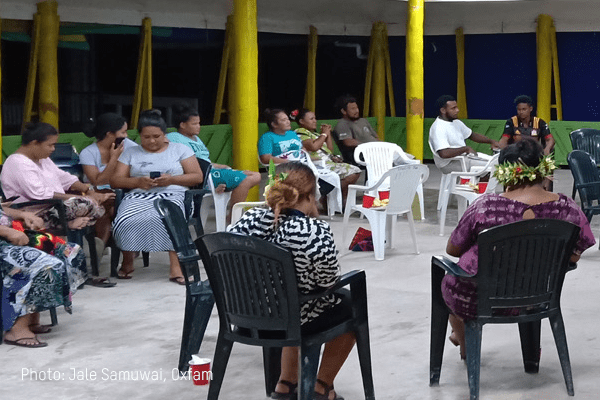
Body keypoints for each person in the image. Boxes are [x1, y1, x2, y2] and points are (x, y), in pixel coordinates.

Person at [441, 138, 595, 360]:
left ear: (506, 173)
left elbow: (453, 250)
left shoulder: (486, 207)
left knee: (449, 279)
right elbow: (574, 255)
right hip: (538, 298)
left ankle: (465, 344)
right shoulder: (567, 208)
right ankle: (527, 358)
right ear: (543, 170)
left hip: (479, 298)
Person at [229, 162, 355, 400]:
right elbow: (328, 280)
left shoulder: (249, 219)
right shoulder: (313, 230)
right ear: (309, 195)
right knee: (351, 303)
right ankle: (322, 387)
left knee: (289, 302)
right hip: (289, 320)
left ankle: (286, 384)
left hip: (246, 317)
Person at [0, 122, 114, 287]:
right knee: (85, 204)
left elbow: (64, 177)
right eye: (50, 144)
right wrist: (79, 198)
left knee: (99, 203)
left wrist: (88, 190)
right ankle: (71, 225)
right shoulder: (17, 162)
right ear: (34, 143)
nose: (53, 149)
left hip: (56, 208)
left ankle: (73, 225)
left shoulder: (42, 159)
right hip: (33, 211)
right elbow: (39, 194)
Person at [110, 110, 203, 284]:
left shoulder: (180, 149)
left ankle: (176, 266)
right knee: (124, 219)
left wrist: (171, 179)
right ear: (139, 136)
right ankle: (128, 261)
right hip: (139, 195)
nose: (152, 141)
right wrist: (138, 182)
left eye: (156, 136)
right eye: (146, 137)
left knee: (169, 219)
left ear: (164, 134)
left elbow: (197, 177)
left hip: (174, 194)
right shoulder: (131, 152)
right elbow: (115, 180)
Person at [1, 205, 86, 348]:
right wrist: (6, 231)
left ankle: (33, 315)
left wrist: (23, 214)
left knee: (70, 252)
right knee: (47, 265)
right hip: (4, 240)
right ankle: (17, 327)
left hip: (10, 235)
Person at [166, 103, 261, 222]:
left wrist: (220, 166)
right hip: (204, 176)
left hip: (212, 171)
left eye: (199, 123)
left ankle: (221, 190)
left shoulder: (196, 139)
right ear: (182, 125)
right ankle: (233, 216)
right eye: (194, 124)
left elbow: (205, 160)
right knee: (248, 179)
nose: (198, 127)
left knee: (254, 175)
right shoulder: (173, 137)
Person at [80, 113, 137, 275]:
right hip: (98, 194)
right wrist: (114, 159)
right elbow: (97, 181)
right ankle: (125, 258)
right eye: (123, 132)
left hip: (121, 192)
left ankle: (100, 245)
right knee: (109, 205)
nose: (126, 136)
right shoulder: (88, 153)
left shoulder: (130, 146)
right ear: (109, 134)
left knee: (113, 207)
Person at [295, 108, 361, 203]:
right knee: (353, 172)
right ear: (301, 121)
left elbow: (329, 150)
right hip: (317, 164)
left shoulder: (314, 134)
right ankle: (327, 197)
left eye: (315, 118)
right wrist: (324, 134)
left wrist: (328, 134)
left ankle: (333, 199)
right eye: (311, 119)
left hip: (327, 162)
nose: (315, 121)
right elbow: (313, 147)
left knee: (354, 171)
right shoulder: (300, 133)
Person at [429, 95, 500, 173]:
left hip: (463, 159)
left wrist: (491, 141)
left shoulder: (456, 122)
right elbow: (444, 154)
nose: (457, 110)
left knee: (495, 162)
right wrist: (465, 149)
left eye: (457, 107)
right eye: (453, 108)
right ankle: (474, 183)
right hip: (449, 164)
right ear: (443, 110)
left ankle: (475, 183)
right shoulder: (438, 128)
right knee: (493, 167)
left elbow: (472, 135)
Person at [332, 95, 381, 165]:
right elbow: (348, 142)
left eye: (357, 108)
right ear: (343, 111)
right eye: (353, 109)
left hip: (376, 150)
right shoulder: (342, 124)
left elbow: (375, 137)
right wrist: (369, 146)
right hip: (360, 154)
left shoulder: (363, 121)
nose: (357, 111)